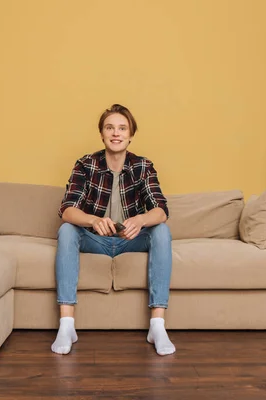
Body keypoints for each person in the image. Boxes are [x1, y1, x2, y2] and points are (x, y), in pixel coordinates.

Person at [52, 104, 175, 356]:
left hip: (129, 240)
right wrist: (92, 220)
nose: (116, 133)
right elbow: (67, 209)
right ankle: (66, 325)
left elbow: (161, 210)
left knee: (161, 230)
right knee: (66, 230)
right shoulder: (86, 164)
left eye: (122, 128)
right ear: (102, 133)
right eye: (110, 128)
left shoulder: (143, 166)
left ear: (130, 135)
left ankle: (157, 325)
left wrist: (140, 220)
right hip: (95, 240)